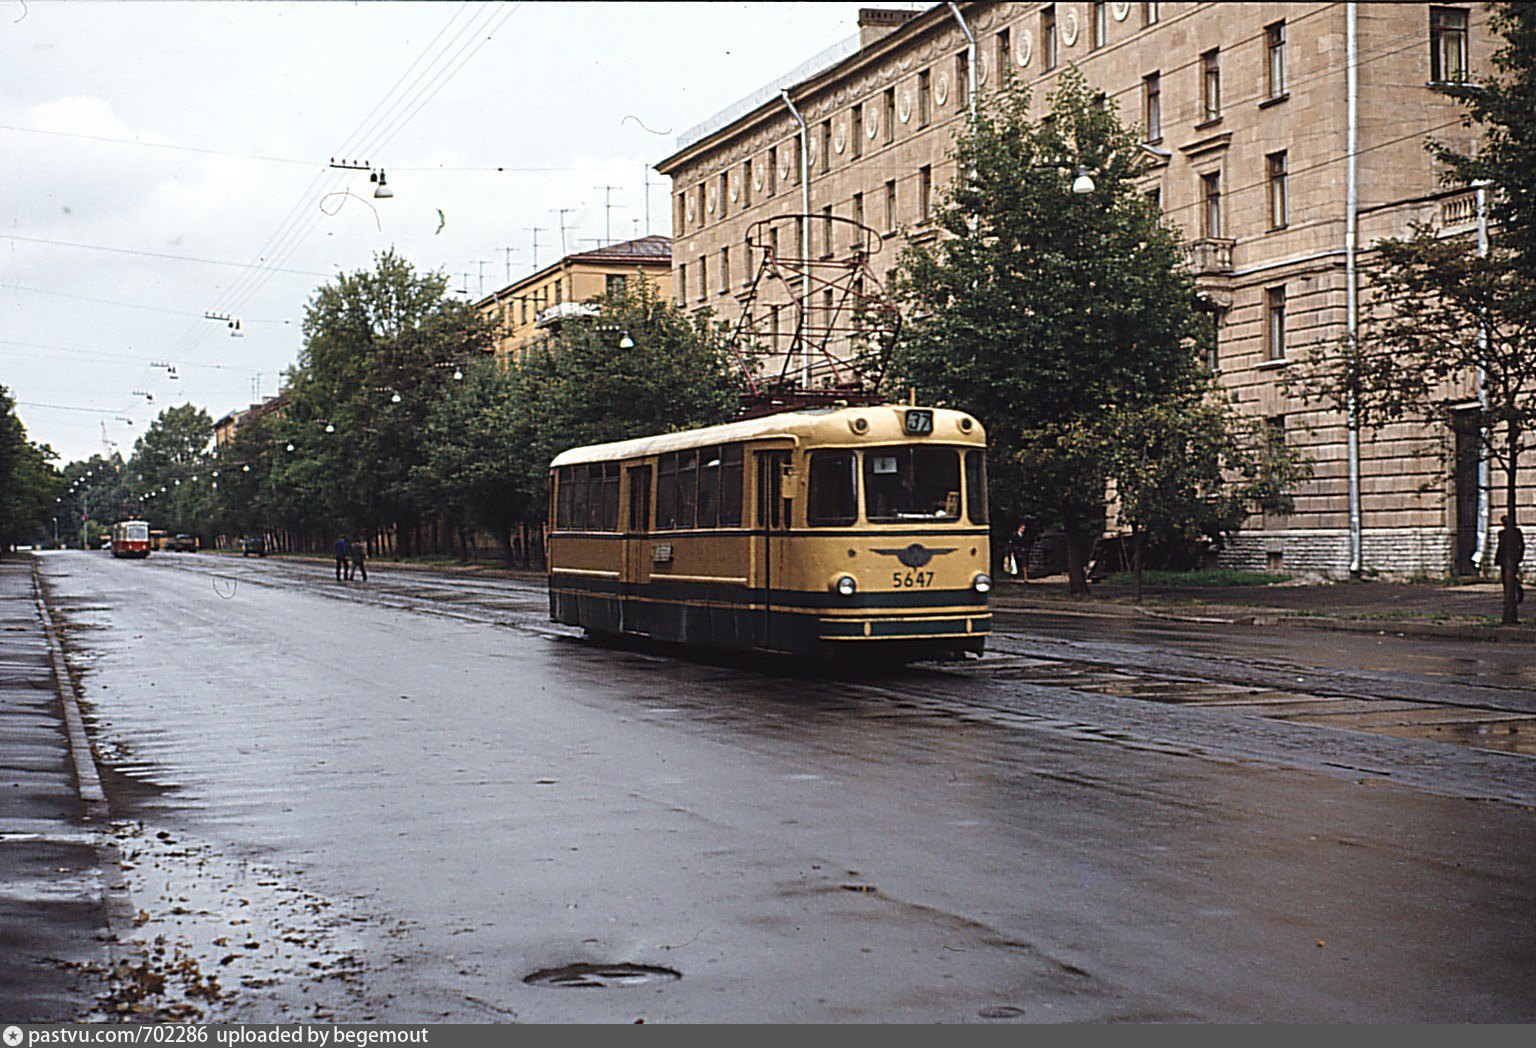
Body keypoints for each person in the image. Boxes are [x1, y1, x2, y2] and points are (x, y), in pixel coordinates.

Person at [1494, 515, 1525, 604]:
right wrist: (1497, 559)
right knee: (1505, 579)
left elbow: (1521, 545)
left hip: (1513, 558)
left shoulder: (1516, 532)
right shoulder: (1501, 533)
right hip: (1504, 559)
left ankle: (1517, 591)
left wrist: (1519, 557)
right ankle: (1508, 597)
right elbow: (1500, 547)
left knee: (1511, 577)